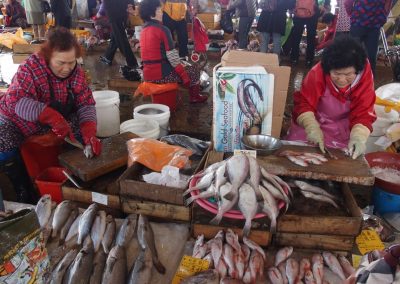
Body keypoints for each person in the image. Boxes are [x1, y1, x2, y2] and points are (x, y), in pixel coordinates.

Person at [0, 27, 101, 202]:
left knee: (79, 128)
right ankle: (22, 188)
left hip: (55, 121)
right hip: (19, 120)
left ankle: (73, 175)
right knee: (4, 139)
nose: (67, 68)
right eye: (61, 63)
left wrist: (90, 130)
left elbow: (85, 103)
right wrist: (50, 117)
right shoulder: (30, 68)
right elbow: (15, 101)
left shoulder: (76, 73)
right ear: (48, 57)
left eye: (71, 62)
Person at [285, 36, 376, 159]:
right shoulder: (318, 72)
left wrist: (358, 137)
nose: (342, 80)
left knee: (343, 158)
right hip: (315, 119)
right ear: (328, 69)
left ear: (357, 70)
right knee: (298, 150)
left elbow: (364, 112)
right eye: (336, 74)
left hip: (343, 127)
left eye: (348, 74)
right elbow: (304, 102)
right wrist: (311, 127)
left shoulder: (365, 77)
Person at [139, 0, 208, 103]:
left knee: (180, 67)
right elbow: (173, 58)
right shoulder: (163, 29)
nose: (162, 12)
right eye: (159, 10)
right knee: (194, 69)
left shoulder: (143, 30)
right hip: (161, 76)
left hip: (146, 75)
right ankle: (195, 97)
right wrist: (184, 76)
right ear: (151, 13)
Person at [346, 0, 393, 75]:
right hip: (364, 23)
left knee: (357, 53)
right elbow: (348, 2)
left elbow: (348, 3)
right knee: (364, 54)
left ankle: (363, 80)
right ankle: (355, 79)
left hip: (368, 24)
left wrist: (384, 16)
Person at [99, 0, 141, 81]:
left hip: (114, 12)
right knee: (116, 35)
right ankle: (108, 57)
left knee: (121, 39)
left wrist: (132, 6)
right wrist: (131, 5)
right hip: (120, 12)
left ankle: (132, 63)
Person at [290, 0, 331, 67]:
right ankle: (309, 61)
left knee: (296, 38)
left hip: (298, 13)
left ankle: (294, 59)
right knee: (311, 39)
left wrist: (291, 8)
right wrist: (326, 5)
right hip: (313, 14)